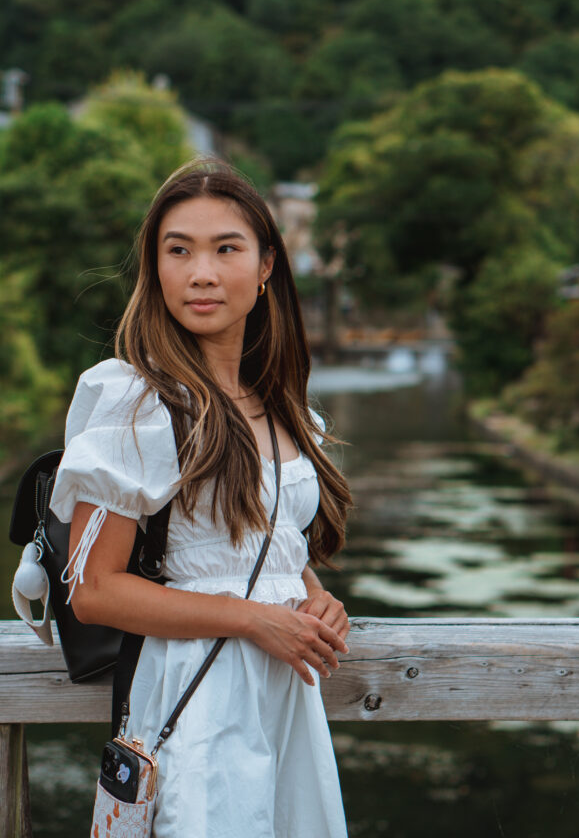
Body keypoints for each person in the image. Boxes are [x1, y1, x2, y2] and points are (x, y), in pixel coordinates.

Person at [48, 158, 353, 837]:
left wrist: (310, 595)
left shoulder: (284, 408)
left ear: (267, 264)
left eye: (226, 249)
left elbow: (263, 540)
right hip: (199, 692)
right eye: (177, 250)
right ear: (154, 266)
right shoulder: (137, 402)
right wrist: (249, 618)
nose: (201, 274)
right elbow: (93, 589)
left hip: (285, 692)